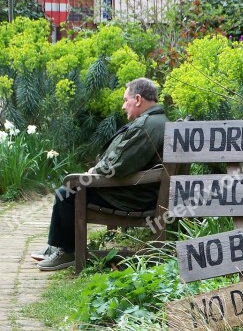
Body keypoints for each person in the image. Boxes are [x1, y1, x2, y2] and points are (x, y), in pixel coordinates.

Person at [31, 77, 168, 271]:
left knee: (66, 192)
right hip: (139, 190)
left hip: (134, 196)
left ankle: (68, 252)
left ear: (138, 99)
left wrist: (95, 172)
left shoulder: (147, 125)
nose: (123, 106)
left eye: (125, 100)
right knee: (70, 189)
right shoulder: (154, 121)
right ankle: (58, 246)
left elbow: (120, 164)